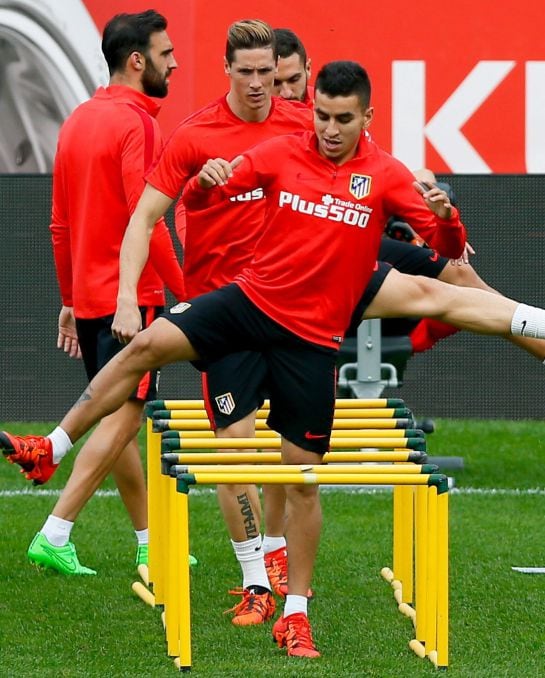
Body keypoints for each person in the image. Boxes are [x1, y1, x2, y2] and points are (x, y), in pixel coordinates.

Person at [4, 61, 545, 658]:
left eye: (343, 119)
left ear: (366, 118)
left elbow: (443, 249)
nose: (330, 128)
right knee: (146, 346)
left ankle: (295, 614)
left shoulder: (385, 175)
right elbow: (216, 191)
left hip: (313, 335)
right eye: (322, 115)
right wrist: (208, 179)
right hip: (251, 300)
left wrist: (446, 220)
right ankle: (51, 446)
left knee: (304, 476)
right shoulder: (283, 150)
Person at [8, 10, 187, 576]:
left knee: (117, 417)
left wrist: (68, 297)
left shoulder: (77, 120)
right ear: (138, 61)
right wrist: (189, 291)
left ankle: (148, 542)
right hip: (133, 296)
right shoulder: (139, 124)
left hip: (89, 294)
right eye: (165, 54)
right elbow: (149, 218)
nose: (175, 62)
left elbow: (59, 224)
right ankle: (56, 529)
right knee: (126, 415)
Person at [164, 19, 314, 625]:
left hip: (293, 310)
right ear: (227, 68)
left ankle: (279, 556)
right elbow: (154, 212)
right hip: (224, 314)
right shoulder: (195, 133)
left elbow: (361, 175)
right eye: (246, 71)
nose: (257, 84)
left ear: (278, 70)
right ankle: (255, 579)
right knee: (234, 450)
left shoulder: (303, 127)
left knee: (294, 453)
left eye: (267, 73)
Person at [272, 28, 312, 104]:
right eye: (275, 83)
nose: (287, 94)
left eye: (294, 80)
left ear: (308, 69)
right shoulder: (248, 113)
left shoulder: (328, 107)